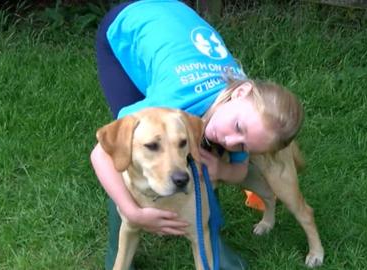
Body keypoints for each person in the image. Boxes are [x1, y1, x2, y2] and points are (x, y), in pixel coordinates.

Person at [90, 1, 303, 269]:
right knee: (127, 144)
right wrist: (133, 212)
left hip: (174, 22)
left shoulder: (246, 111)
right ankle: (121, 246)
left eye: (244, 146)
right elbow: (102, 154)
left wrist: (221, 169)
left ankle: (203, 231)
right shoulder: (174, 100)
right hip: (127, 26)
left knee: (187, 145)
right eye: (238, 130)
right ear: (240, 92)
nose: (231, 142)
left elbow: (238, 172)